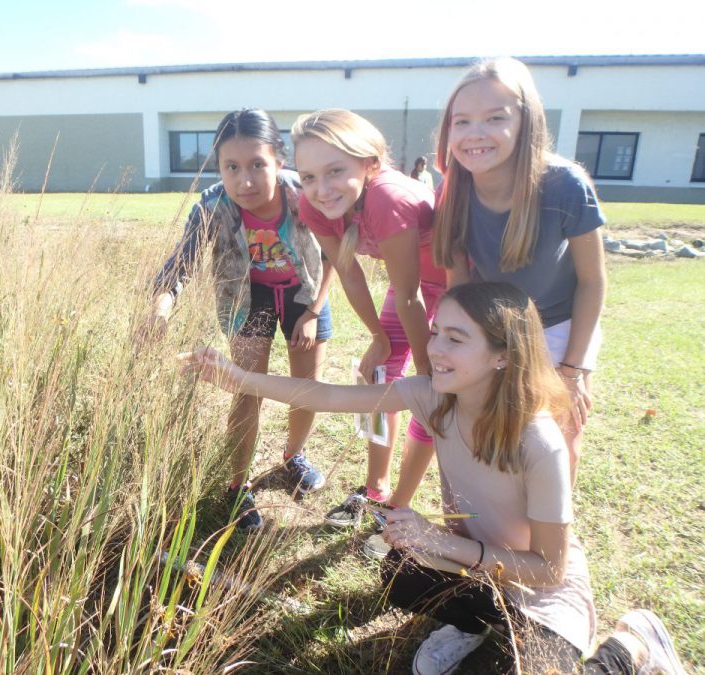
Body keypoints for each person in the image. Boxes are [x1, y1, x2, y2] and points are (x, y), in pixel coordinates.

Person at [180, 282, 687, 675]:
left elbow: (549, 569)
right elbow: (327, 395)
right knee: (398, 568)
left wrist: (437, 539)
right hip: (477, 567)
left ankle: (631, 645)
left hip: (539, 589)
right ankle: (475, 622)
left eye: (456, 338)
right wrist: (239, 378)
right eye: (436, 331)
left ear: (503, 355)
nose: (435, 347)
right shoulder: (430, 395)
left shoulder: (540, 443)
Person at [147, 108, 335, 532]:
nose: (244, 180)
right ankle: (237, 485)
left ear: (279, 161)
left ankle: (293, 456)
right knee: (246, 388)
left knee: (307, 390)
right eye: (231, 167)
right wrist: (161, 308)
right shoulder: (211, 207)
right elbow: (179, 266)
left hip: (305, 294)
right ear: (219, 167)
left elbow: (334, 253)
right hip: (246, 299)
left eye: (257, 165)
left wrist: (314, 310)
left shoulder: (303, 196)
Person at [432, 57, 607, 484]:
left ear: (525, 121)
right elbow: (461, 287)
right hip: (496, 327)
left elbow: (593, 281)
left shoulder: (565, 184)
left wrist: (573, 371)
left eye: (495, 118)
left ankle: (552, 540)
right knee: (489, 425)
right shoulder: (453, 190)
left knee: (557, 434)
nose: (475, 133)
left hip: (560, 324)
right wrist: (458, 343)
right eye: (462, 121)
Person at [291, 109, 445, 540]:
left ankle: (400, 503)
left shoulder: (386, 198)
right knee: (373, 377)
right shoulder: (314, 204)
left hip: (455, 286)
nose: (321, 190)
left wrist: (428, 374)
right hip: (412, 286)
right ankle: (375, 491)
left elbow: (413, 294)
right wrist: (378, 338)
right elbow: (349, 271)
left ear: (368, 162)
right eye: (307, 177)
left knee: (433, 393)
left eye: (335, 170)